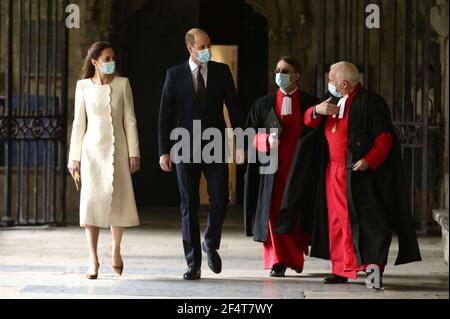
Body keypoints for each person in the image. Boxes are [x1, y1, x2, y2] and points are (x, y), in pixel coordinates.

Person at [276, 61, 421, 288]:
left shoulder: (371, 102)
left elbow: (385, 138)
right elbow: (307, 121)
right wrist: (316, 110)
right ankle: (341, 270)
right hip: (333, 173)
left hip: (360, 174)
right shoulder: (331, 99)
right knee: (336, 223)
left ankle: (372, 274)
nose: (329, 85)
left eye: (332, 81)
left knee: (370, 224)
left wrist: (368, 161)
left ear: (343, 84)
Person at [158, 28, 244, 280]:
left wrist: (241, 143)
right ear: (190, 48)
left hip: (215, 144)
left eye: (208, 45)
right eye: (202, 46)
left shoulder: (222, 71)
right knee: (189, 205)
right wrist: (164, 151)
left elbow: (234, 109)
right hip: (184, 146)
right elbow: (165, 116)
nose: (206, 49)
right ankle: (193, 263)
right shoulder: (174, 75)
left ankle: (210, 242)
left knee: (220, 198)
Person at [68, 41, 141, 279]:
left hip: (118, 151)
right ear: (94, 63)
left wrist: (134, 152)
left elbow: (130, 120)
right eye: (106, 59)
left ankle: (116, 250)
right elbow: (79, 124)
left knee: (117, 201)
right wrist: (74, 158)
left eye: (112, 58)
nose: (111, 62)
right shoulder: (83, 87)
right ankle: (93, 259)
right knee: (91, 204)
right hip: (91, 154)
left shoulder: (123, 84)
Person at [244, 57, 319, 277]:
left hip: (299, 170)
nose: (279, 73)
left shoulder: (310, 103)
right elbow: (248, 135)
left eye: (285, 70)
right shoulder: (262, 104)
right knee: (273, 214)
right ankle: (277, 261)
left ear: (296, 76)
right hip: (271, 171)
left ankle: (294, 258)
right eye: (277, 69)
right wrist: (264, 140)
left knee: (296, 214)